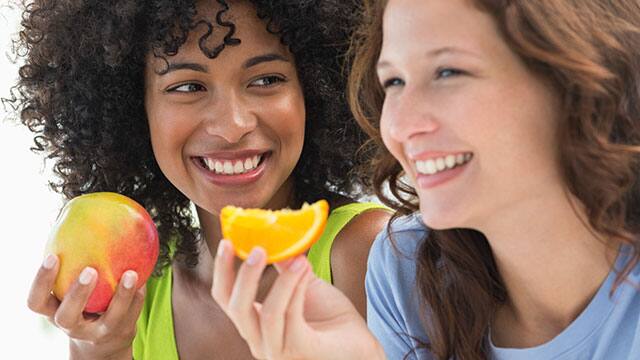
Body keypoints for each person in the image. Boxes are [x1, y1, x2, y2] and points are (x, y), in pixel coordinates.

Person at [211, 0, 640, 359]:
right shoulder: (404, 270)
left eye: (448, 72)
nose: (399, 125)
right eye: (393, 81)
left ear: (577, 80)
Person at [18, 0, 390, 358]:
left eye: (266, 79)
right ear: (135, 107)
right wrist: (99, 353)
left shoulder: (373, 253)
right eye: (188, 87)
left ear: (314, 88)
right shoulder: (138, 295)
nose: (232, 126)